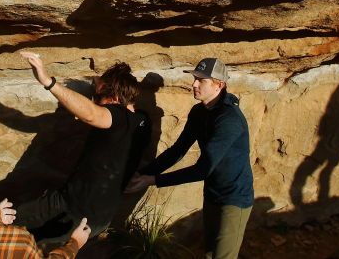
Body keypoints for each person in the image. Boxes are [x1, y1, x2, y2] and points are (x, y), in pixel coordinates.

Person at [125, 58, 253, 259]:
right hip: (212, 193)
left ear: (219, 85)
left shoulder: (230, 120)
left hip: (234, 197)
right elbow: (178, 150)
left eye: (201, 80)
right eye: (195, 78)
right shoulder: (199, 112)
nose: (193, 84)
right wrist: (143, 173)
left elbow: (203, 169)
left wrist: (154, 180)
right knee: (210, 253)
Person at [16, 51, 151, 240]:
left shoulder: (119, 116)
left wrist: (48, 81)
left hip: (70, 211)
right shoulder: (142, 121)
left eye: (97, 97)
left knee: (8, 224)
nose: (94, 102)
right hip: (99, 217)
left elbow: (92, 114)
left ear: (113, 99)